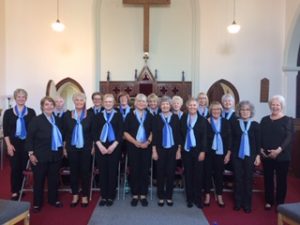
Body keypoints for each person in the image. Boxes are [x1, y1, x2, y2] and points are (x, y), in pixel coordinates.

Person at [26, 96, 64, 213]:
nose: (49, 106)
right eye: (46, 104)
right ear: (42, 106)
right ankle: (37, 203)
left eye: (51, 104)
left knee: (54, 179)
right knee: (39, 180)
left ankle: (53, 200)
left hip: (55, 155)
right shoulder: (36, 120)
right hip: (39, 156)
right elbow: (29, 138)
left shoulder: (57, 120)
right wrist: (31, 154)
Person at [260, 95, 293, 210]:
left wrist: (278, 150)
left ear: (281, 106)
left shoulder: (287, 120)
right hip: (266, 155)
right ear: (270, 106)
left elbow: (289, 137)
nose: (275, 107)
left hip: (282, 155)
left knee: (281, 180)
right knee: (268, 179)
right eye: (273, 104)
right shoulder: (264, 119)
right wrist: (260, 149)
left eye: (277, 105)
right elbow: (260, 136)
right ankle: (269, 201)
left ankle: (280, 202)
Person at [3, 89, 36, 200]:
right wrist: (8, 145)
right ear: (15, 98)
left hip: (27, 144)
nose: (21, 98)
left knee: (23, 167)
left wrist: (32, 148)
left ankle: (21, 187)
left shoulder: (31, 112)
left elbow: (33, 131)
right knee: (15, 168)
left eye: (23, 97)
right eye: (19, 96)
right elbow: (6, 131)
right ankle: (15, 191)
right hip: (13, 144)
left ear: (26, 98)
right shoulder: (8, 112)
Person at [63, 93, 93, 208]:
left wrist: (94, 147)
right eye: (77, 100)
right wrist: (65, 148)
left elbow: (93, 132)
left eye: (81, 100)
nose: (79, 102)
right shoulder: (67, 115)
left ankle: (85, 195)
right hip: (72, 148)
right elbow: (65, 132)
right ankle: (75, 194)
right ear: (73, 101)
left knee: (85, 172)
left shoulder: (90, 115)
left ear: (85, 101)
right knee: (74, 172)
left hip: (86, 148)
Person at [93, 94, 123, 207]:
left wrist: (114, 145)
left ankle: (111, 196)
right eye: (106, 101)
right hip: (101, 147)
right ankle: (104, 195)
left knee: (112, 172)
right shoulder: (98, 116)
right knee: (103, 172)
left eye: (110, 101)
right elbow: (94, 132)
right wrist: (99, 145)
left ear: (114, 103)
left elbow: (121, 132)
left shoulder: (118, 115)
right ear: (103, 102)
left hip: (114, 147)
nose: (108, 103)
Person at [124, 93, 153, 207]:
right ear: (135, 103)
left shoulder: (150, 116)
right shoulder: (129, 116)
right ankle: (135, 195)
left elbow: (153, 131)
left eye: (143, 101)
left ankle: (144, 195)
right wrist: (135, 142)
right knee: (134, 170)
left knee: (145, 171)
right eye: (139, 101)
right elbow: (125, 132)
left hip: (146, 147)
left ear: (146, 104)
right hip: (133, 146)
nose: (141, 103)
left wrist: (148, 142)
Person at [152, 96, 181, 207]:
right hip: (160, 149)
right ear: (160, 106)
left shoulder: (175, 118)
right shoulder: (156, 118)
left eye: (167, 104)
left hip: (173, 149)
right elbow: (154, 136)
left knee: (170, 172)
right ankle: (160, 196)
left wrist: (178, 150)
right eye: (163, 104)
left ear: (170, 106)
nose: (165, 106)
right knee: (160, 173)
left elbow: (178, 135)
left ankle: (169, 196)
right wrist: (154, 151)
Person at [232, 101, 260, 213]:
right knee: (238, 179)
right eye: (242, 110)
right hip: (237, 156)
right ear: (239, 111)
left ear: (251, 112)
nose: (245, 112)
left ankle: (247, 204)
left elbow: (258, 142)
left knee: (248, 179)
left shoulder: (255, 125)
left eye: (247, 110)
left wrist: (257, 156)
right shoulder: (234, 124)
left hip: (250, 156)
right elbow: (231, 141)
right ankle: (238, 202)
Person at [203, 101, 231, 208]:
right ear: (210, 111)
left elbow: (229, 138)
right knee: (207, 174)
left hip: (221, 152)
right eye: (214, 109)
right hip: (209, 152)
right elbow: (204, 138)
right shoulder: (206, 121)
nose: (216, 111)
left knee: (219, 174)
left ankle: (219, 195)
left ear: (221, 111)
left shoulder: (226, 122)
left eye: (218, 109)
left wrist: (228, 153)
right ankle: (207, 195)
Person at [180, 97, 207, 208]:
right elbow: (180, 134)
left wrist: (203, 151)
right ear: (187, 106)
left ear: (197, 107)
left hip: (198, 151)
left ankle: (197, 198)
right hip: (186, 150)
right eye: (190, 105)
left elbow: (204, 137)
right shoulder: (183, 118)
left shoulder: (202, 120)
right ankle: (189, 198)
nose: (192, 107)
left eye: (194, 105)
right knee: (188, 174)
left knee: (198, 175)